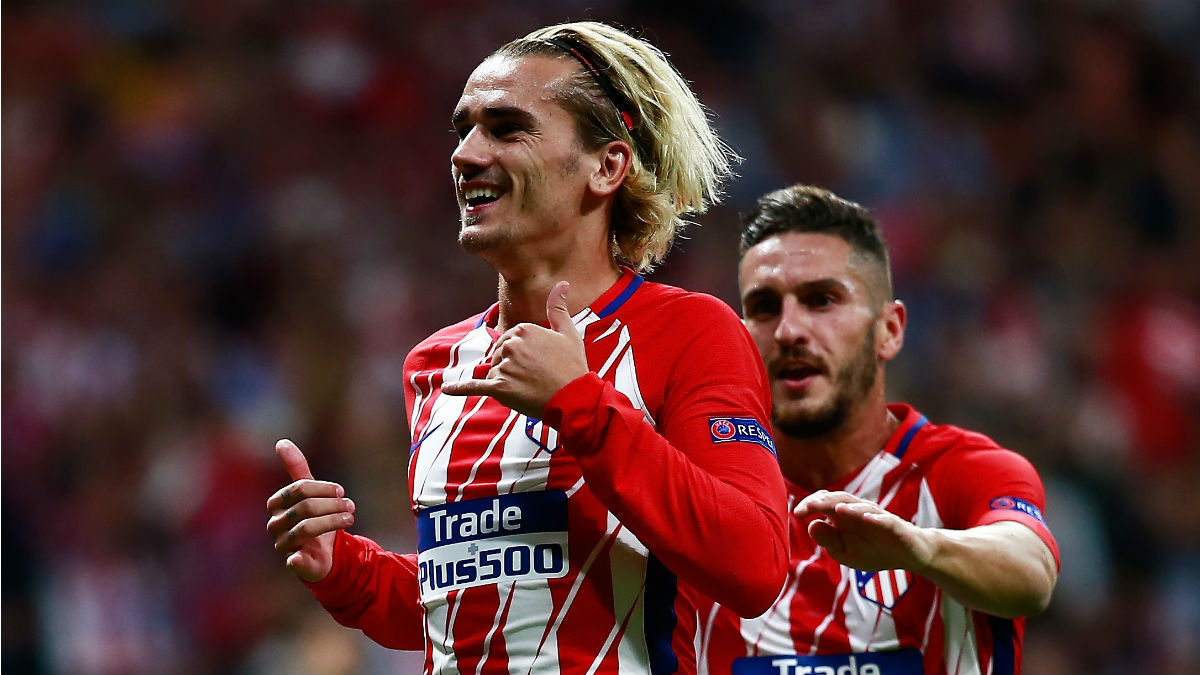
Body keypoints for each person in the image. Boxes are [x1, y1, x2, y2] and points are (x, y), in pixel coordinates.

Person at [265, 21, 790, 675]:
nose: (465, 153)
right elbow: (481, 603)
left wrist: (582, 404)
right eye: (464, 129)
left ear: (606, 167)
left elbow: (756, 563)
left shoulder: (689, 332)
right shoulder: (434, 365)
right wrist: (345, 568)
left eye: (507, 128)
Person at [693, 185, 1060, 675]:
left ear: (889, 329)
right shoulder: (703, 486)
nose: (788, 330)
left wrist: (919, 548)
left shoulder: (962, 470)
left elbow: (1031, 573)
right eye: (764, 307)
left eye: (821, 300)